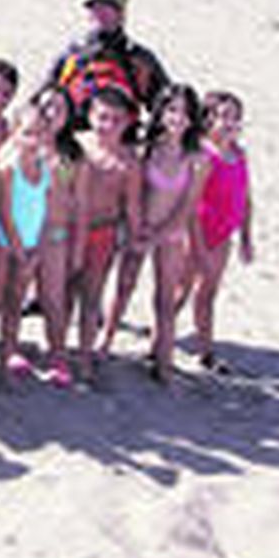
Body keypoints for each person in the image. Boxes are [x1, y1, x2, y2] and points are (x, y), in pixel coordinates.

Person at [102, 84, 207, 385]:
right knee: (123, 286)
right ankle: (105, 341)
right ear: (160, 112)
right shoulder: (146, 149)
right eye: (172, 110)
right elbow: (135, 194)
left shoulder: (197, 158)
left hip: (172, 234)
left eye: (185, 112)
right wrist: (139, 230)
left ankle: (163, 358)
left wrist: (161, 233)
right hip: (140, 227)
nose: (178, 118)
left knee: (164, 298)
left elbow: (188, 206)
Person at [70, 88, 142, 383]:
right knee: (61, 295)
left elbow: (132, 206)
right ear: (89, 116)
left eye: (115, 120)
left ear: (126, 123)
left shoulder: (128, 162)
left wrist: (134, 240)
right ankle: (59, 352)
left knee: (91, 297)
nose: (107, 126)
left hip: (103, 232)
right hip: (68, 229)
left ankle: (85, 356)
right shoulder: (77, 146)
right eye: (102, 118)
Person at [0, 106, 50, 386]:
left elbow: (44, 209)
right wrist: (19, 250)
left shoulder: (45, 167)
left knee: (15, 307)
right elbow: (4, 214)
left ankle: (5, 362)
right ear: (15, 134)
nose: (34, 139)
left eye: (40, 133)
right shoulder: (8, 167)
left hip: (29, 246)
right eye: (28, 133)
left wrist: (37, 248)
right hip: (5, 244)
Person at [189, 90, 253, 374]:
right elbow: (191, 205)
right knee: (178, 295)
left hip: (224, 234)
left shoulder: (239, 154)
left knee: (208, 294)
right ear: (209, 119)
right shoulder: (204, 155)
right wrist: (199, 246)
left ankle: (206, 351)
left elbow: (246, 197)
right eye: (224, 116)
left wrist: (246, 236)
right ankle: (159, 346)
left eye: (236, 118)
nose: (231, 123)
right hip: (198, 233)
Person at [44, 0, 170, 121]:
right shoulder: (72, 55)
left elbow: (167, 104)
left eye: (107, 9)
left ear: (121, 15)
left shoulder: (139, 58)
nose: (99, 13)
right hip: (75, 132)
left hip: (121, 135)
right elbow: (43, 98)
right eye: (95, 8)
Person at [33, 85, 82, 388]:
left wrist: (76, 247)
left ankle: (58, 354)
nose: (52, 114)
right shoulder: (23, 143)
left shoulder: (70, 156)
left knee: (53, 298)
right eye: (46, 107)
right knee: (9, 298)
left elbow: (80, 203)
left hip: (55, 235)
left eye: (59, 109)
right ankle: (8, 349)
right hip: (21, 233)